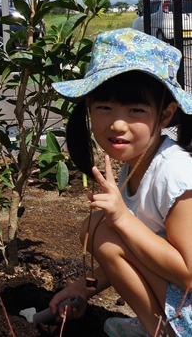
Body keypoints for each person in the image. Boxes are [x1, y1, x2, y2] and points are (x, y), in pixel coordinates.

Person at [48, 28, 192, 337]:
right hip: (181, 300)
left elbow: (190, 275)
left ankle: (163, 331)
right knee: (100, 226)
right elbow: (135, 253)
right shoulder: (135, 163)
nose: (117, 123)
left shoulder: (175, 173)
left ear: (165, 115)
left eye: (135, 110)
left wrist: (122, 217)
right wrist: (83, 289)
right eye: (105, 108)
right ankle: (157, 325)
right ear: (88, 107)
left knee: (104, 228)